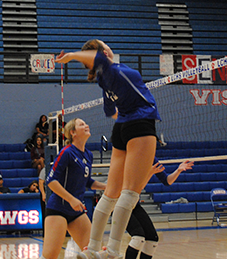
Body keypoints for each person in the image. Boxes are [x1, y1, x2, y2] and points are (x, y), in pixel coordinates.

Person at [55, 39, 160, 259]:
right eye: (105, 46)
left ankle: (92, 248)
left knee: (111, 194)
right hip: (139, 124)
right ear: (103, 51)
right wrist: (71, 56)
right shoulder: (111, 69)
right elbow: (99, 59)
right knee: (129, 193)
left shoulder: (104, 79)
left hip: (121, 128)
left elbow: (110, 110)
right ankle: (112, 250)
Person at [39, 118, 106, 259]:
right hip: (58, 209)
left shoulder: (88, 155)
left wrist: (106, 187)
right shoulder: (67, 152)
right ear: (73, 133)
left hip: (76, 212)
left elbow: (86, 181)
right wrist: (71, 199)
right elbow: (51, 181)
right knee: (50, 256)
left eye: (86, 123)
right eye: (82, 124)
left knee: (94, 251)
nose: (87, 125)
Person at [124, 159, 193, 259]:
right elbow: (135, 189)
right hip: (121, 203)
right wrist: (150, 173)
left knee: (152, 239)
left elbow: (167, 181)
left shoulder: (151, 158)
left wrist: (178, 170)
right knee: (138, 237)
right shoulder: (131, 158)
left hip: (134, 204)